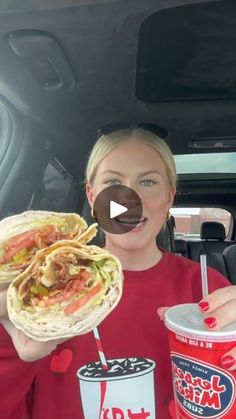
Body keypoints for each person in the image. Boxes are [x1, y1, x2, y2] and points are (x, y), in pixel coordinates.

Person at [0, 126, 236, 419]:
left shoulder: (209, 289)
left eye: (148, 181)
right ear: (92, 196)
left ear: (169, 197)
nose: (129, 198)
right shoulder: (35, 298)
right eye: (113, 181)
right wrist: (10, 347)